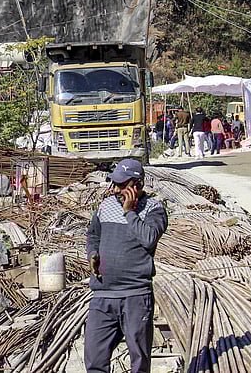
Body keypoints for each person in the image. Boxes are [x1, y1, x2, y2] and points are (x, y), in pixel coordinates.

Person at [85, 159, 168, 373]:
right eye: (114, 184)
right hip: (103, 295)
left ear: (137, 185)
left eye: (122, 185)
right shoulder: (105, 206)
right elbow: (93, 235)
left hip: (135, 296)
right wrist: (92, 254)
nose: (115, 190)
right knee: (94, 359)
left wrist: (129, 212)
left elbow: (149, 238)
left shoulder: (154, 209)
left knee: (139, 362)